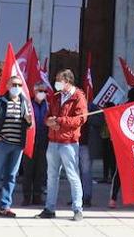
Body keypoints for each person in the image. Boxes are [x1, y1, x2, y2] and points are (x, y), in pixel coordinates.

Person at [0, 70, 33, 218]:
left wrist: (29, 122)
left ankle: (5, 207)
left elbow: (29, 125)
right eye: (14, 84)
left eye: (19, 85)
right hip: (1, 144)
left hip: (17, 146)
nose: (17, 87)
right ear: (8, 85)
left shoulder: (25, 102)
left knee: (11, 176)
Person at [37, 69, 87, 221]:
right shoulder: (56, 97)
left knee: (73, 175)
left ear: (68, 81)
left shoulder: (78, 96)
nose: (56, 83)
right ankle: (49, 208)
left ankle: (77, 209)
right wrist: (49, 122)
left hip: (69, 143)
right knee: (51, 176)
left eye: (59, 80)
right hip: (53, 141)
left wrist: (59, 121)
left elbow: (80, 119)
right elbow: (47, 116)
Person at [20, 82, 50, 206]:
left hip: (44, 141)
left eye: (45, 91)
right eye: (40, 90)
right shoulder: (28, 104)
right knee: (28, 170)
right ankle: (26, 197)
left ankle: (38, 196)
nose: (43, 93)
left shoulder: (49, 106)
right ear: (34, 91)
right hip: (30, 141)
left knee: (41, 170)